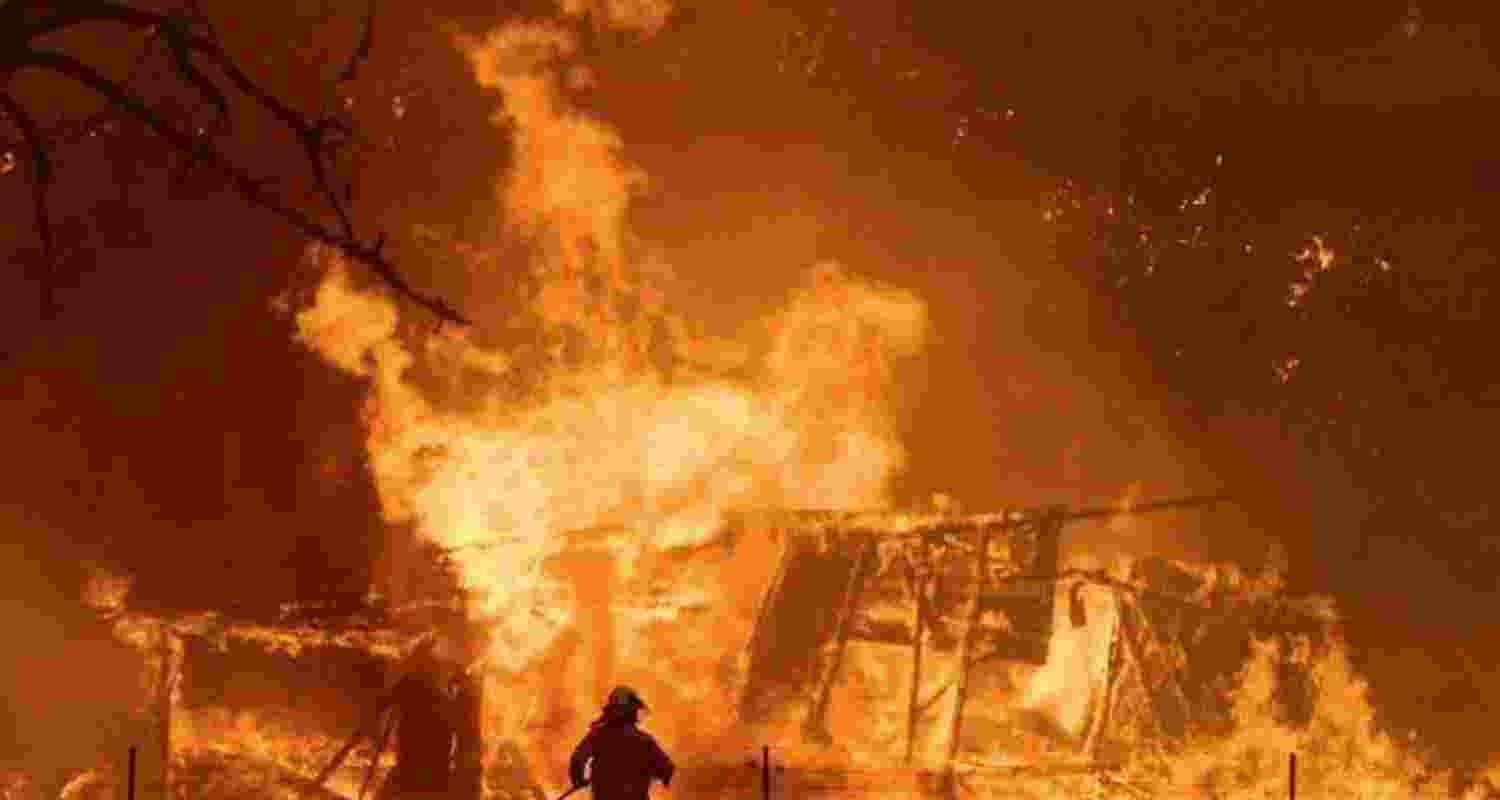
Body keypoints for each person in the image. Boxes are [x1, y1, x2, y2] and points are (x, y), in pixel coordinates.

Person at [568, 687, 674, 800]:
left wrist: (579, 781)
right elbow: (667, 769)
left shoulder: (598, 736)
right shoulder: (644, 740)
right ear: (633, 712)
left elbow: (577, 759)